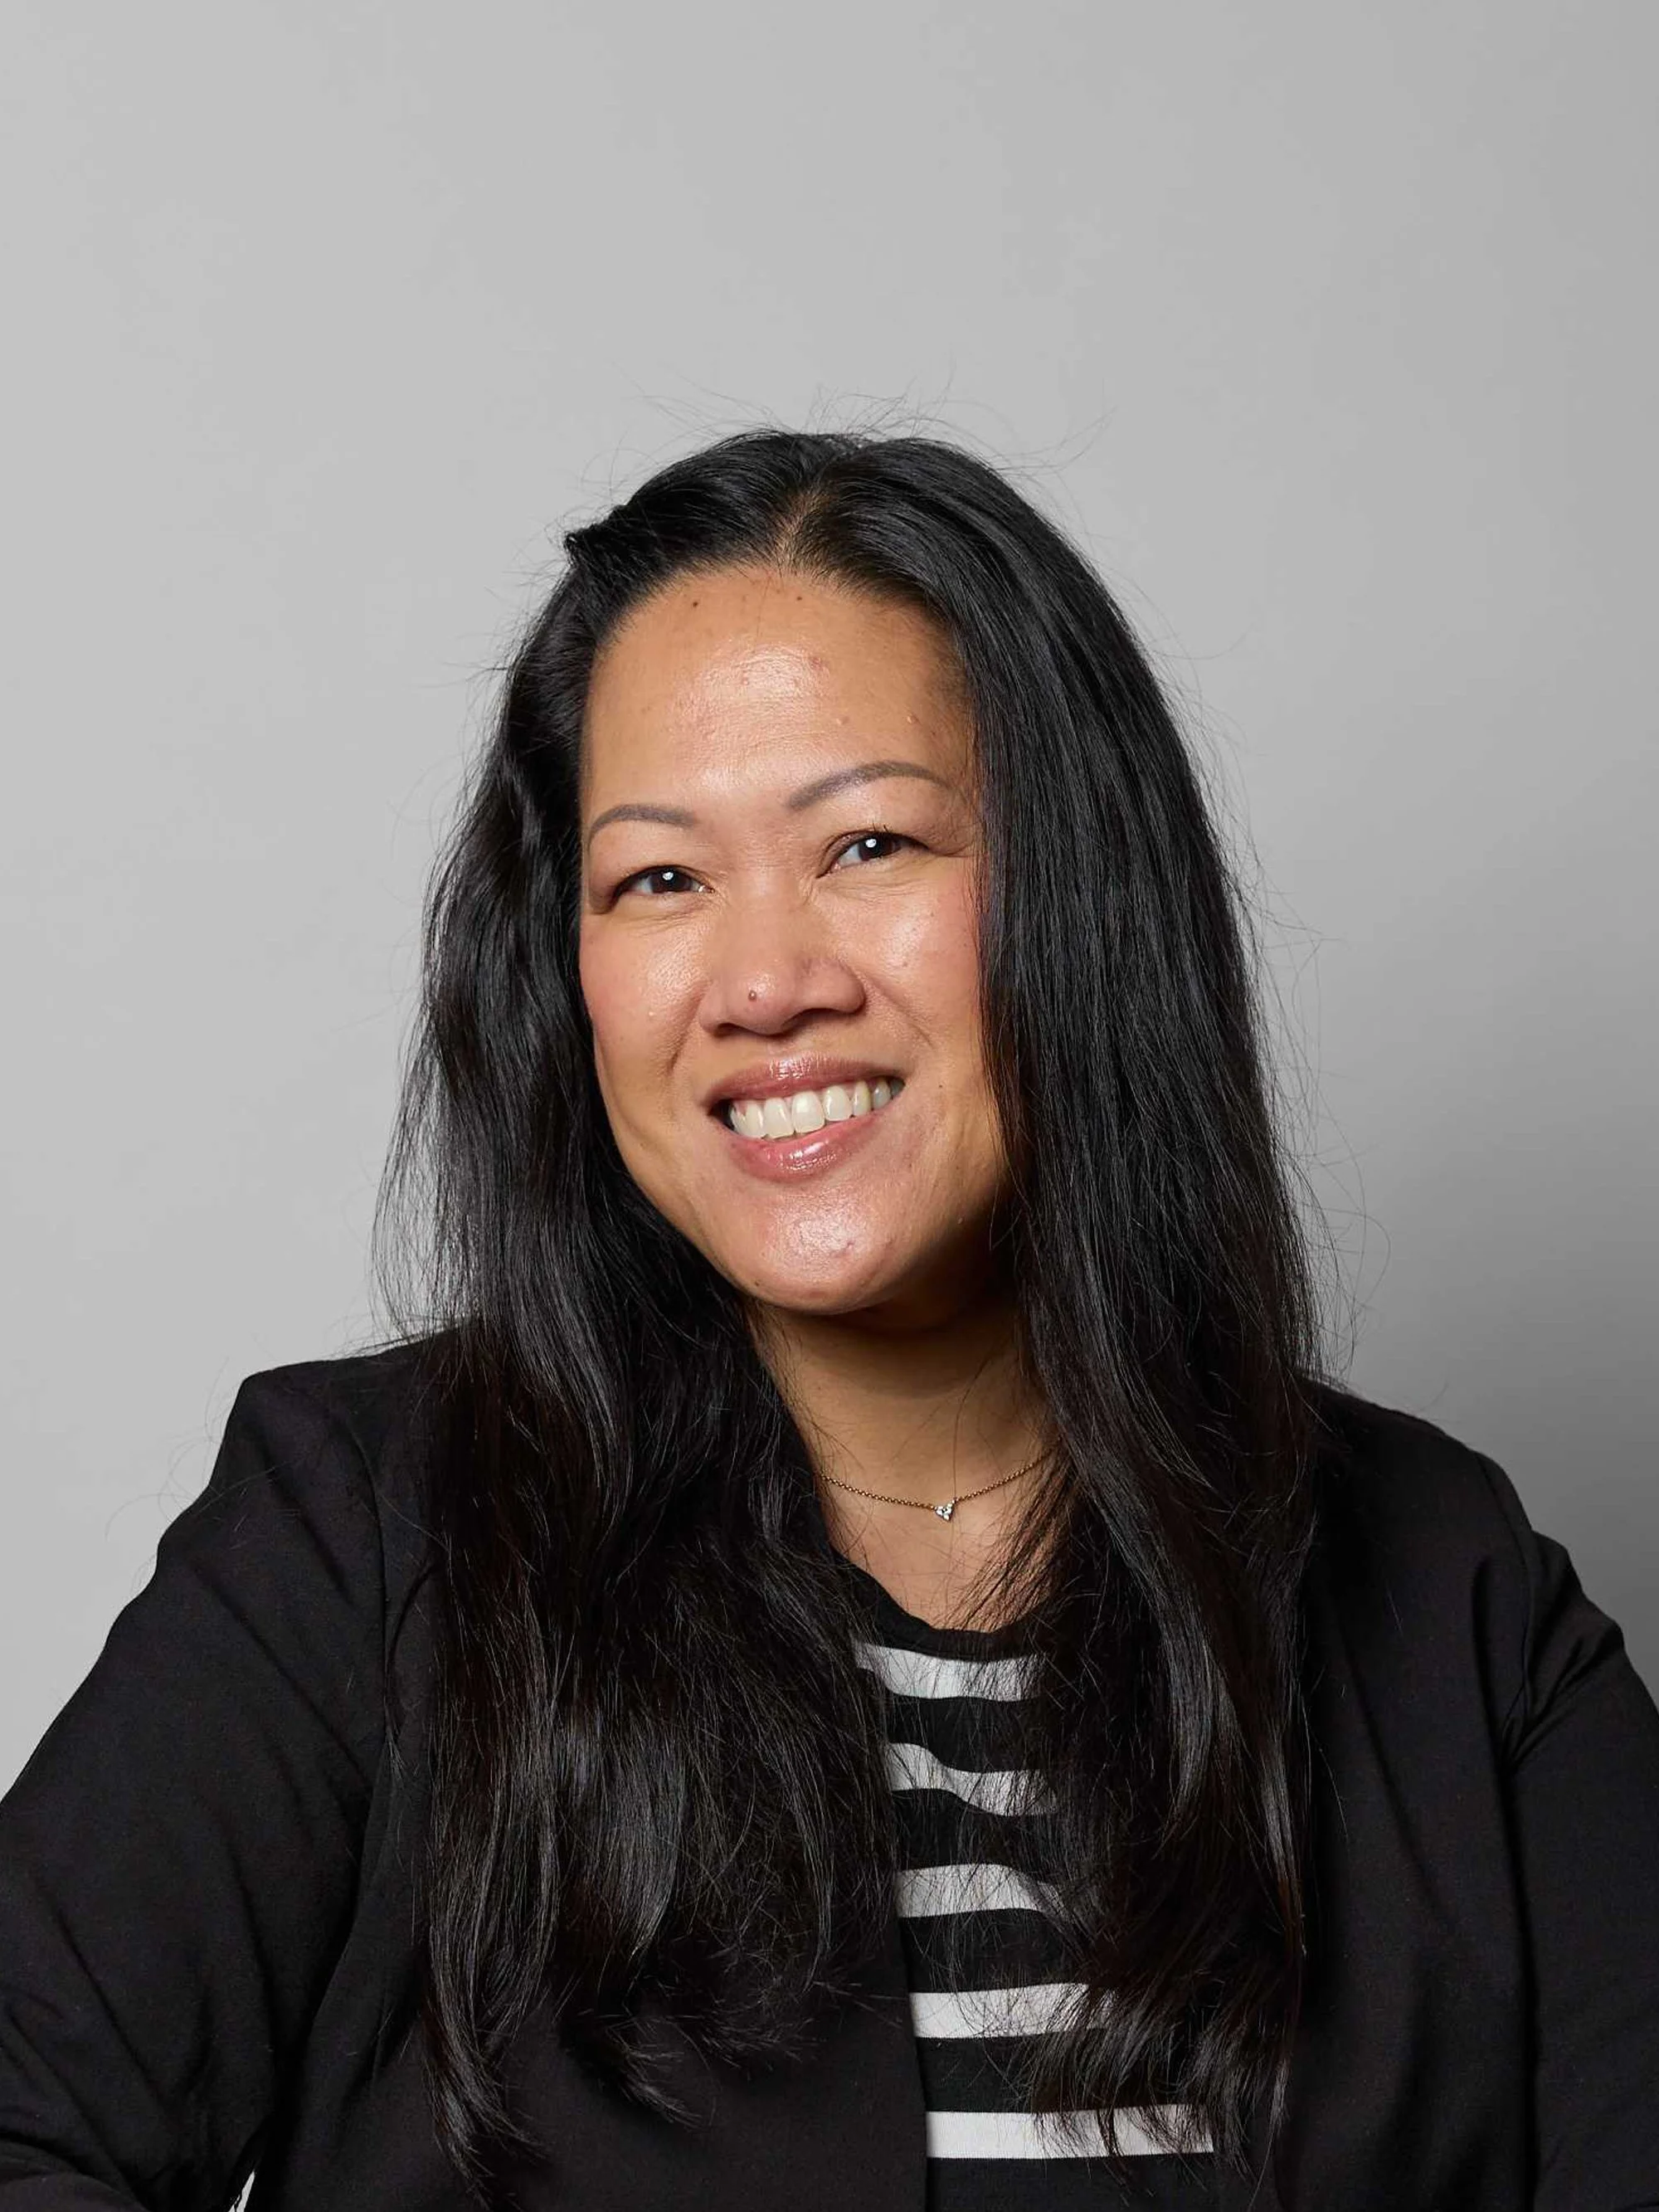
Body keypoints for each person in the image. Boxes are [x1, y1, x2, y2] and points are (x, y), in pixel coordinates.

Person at [1, 428, 1656, 2212]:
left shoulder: (1450, 1599)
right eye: (658, 878)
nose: (768, 979)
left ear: (1081, 896)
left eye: (866, 842)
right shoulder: (359, 1538)